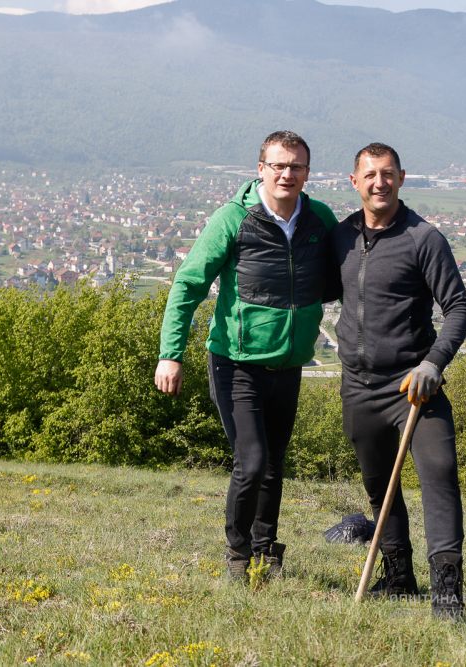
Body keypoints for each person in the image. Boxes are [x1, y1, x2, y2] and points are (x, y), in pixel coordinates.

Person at [155, 130, 338, 580]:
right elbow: (188, 284)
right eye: (278, 165)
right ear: (261, 169)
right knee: (252, 462)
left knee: (274, 464)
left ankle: (266, 550)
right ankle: (239, 555)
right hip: (235, 362)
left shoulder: (319, 219)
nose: (287, 174)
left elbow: (343, 277)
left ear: (307, 173)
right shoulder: (233, 219)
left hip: (289, 362)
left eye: (296, 166)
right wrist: (170, 354)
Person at [331, 143, 466, 619]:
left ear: (402, 178)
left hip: (414, 386)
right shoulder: (341, 237)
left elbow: (459, 308)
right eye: (370, 174)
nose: (380, 182)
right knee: (379, 487)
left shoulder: (423, 238)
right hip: (358, 386)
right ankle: (398, 578)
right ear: (354, 181)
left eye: (388, 173)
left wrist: (433, 363)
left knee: (440, 476)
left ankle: (447, 595)